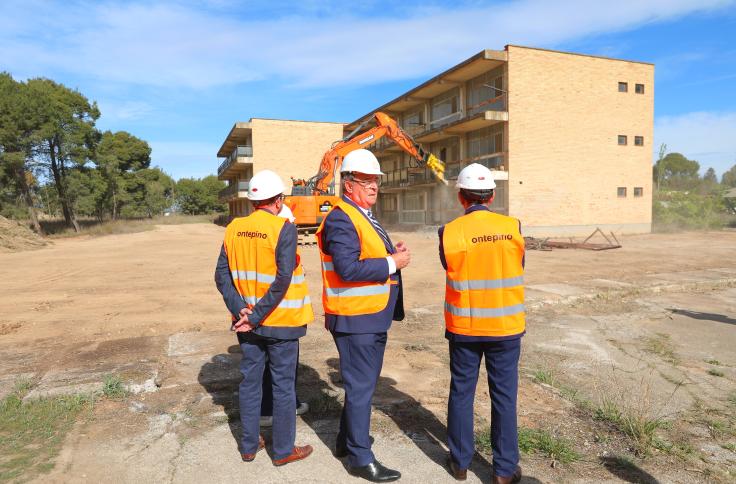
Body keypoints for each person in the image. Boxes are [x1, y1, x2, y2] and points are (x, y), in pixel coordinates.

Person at [316, 149, 410, 482]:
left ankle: (346, 441)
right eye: (367, 180)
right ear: (348, 183)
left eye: (376, 181)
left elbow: (364, 254)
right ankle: (360, 457)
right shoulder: (342, 217)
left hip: (370, 315)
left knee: (363, 385)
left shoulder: (363, 214)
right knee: (361, 388)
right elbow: (347, 267)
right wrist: (391, 264)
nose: (374, 187)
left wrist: (390, 253)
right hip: (355, 317)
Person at [214, 169, 314, 466]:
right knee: (283, 386)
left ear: (252, 200)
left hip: (246, 323)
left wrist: (240, 309)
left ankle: (248, 445)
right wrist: (256, 315)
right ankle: (283, 451)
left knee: (249, 383)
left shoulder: (233, 228)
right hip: (280, 322)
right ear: (279, 199)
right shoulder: (283, 227)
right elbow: (283, 278)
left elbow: (221, 275)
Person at [439, 163, 525, 484]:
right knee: (503, 396)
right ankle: (503, 471)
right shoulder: (513, 227)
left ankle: (460, 463)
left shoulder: (448, 232)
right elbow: (518, 265)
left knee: (461, 392)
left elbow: (449, 266)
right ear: (491, 196)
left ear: (461, 197)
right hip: (505, 328)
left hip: (464, 328)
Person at [260, 200, 309, 427]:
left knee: (266, 370)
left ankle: (268, 410)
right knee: (281, 374)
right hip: (282, 318)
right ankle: (274, 413)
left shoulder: (261, 238)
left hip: (261, 316)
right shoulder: (281, 235)